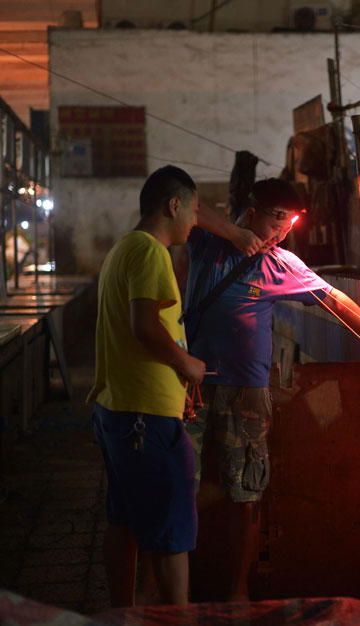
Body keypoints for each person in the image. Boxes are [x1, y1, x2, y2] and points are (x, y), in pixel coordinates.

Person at [182, 178, 360, 602]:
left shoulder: (281, 263)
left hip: (248, 391)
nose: (281, 234)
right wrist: (235, 234)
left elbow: (334, 299)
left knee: (246, 493)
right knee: (178, 489)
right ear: (251, 214)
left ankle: (237, 594)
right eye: (275, 221)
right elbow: (187, 203)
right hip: (191, 387)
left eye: (288, 226)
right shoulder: (207, 245)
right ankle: (175, 592)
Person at [88, 165, 262, 607]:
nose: (195, 220)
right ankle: (177, 619)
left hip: (118, 408)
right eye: (195, 210)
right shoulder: (151, 253)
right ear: (173, 206)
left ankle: (123, 613)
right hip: (146, 416)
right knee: (171, 530)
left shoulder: (122, 249)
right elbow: (145, 327)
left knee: (124, 520)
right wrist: (189, 365)